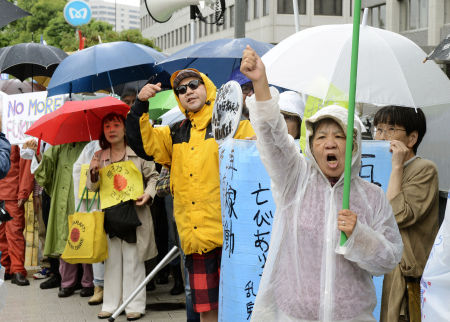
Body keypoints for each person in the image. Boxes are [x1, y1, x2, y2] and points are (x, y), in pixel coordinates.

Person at [240, 46, 403, 321]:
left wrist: (359, 235)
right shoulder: (294, 180)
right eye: (321, 137)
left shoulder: (372, 196)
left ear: (354, 145)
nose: (330, 143)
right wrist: (260, 83)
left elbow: (388, 260)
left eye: (340, 136)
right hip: (294, 316)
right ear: (311, 146)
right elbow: (272, 135)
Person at [126, 68, 255, 322]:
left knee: (240, 308)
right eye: (181, 89)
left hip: (233, 239)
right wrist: (140, 105)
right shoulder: (174, 133)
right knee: (207, 312)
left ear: (207, 86)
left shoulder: (235, 125)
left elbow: (258, 160)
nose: (188, 91)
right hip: (196, 239)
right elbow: (142, 142)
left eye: (194, 84)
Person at [87, 112, 158, 321]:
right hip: (111, 217)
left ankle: (134, 305)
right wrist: (92, 174)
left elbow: (154, 176)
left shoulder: (138, 151)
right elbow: (92, 188)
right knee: (112, 263)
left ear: (125, 128)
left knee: (133, 261)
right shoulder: (99, 156)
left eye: (116, 125)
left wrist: (148, 194)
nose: (111, 130)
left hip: (135, 215)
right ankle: (110, 304)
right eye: (107, 126)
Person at [374, 106, 439, 322]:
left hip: (400, 273)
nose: (381, 136)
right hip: (374, 263)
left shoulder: (424, 169)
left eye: (391, 128)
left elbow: (396, 215)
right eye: (378, 128)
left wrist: (396, 168)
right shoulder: (374, 164)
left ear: (411, 138)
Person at [31, 141, 94, 297]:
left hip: (82, 197)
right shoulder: (58, 146)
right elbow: (45, 175)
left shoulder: (90, 144)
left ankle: (89, 282)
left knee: (85, 238)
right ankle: (67, 282)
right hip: (62, 200)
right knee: (64, 240)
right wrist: (39, 156)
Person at [0, 144, 34, 286]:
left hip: (12, 196)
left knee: (15, 234)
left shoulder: (17, 137)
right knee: (0, 236)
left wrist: (24, 192)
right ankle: (6, 269)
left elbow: (26, 165)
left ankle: (18, 270)